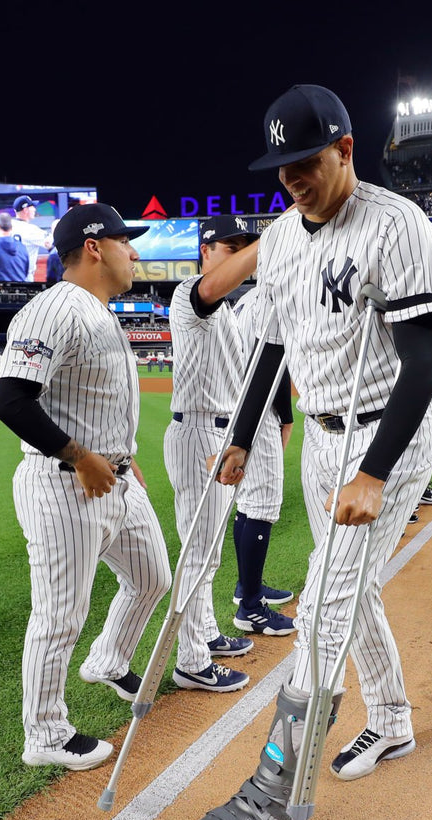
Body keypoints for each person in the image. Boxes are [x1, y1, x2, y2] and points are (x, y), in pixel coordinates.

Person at [184, 84, 432, 820]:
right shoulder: (279, 237)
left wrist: (374, 472)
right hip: (321, 442)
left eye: (305, 162)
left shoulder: (396, 225)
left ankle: (272, 801)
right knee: (349, 593)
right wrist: (237, 436)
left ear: (344, 149)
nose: (293, 178)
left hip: (384, 437)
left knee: (322, 613)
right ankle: (394, 719)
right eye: (281, 167)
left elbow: (424, 365)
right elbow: (271, 346)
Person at [0, 203, 165, 770]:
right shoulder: (54, 309)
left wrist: (120, 457)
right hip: (64, 481)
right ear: (94, 247)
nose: (133, 251)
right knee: (60, 615)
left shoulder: (100, 310)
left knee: (153, 578)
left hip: (112, 474)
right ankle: (44, 732)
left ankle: (110, 659)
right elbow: (9, 398)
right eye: (123, 241)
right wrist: (78, 454)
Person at [161, 214, 270, 696]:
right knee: (196, 555)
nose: (243, 253)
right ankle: (191, 661)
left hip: (221, 437)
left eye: (246, 245)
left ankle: (205, 633)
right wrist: (274, 240)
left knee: (209, 555)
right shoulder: (190, 294)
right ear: (206, 251)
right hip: (198, 434)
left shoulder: (227, 310)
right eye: (232, 246)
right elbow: (215, 285)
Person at [230, 286, 298, 636]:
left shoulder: (245, 298)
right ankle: (251, 607)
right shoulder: (275, 295)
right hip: (257, 409)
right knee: (262, 506)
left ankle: (248, 587)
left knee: (248, 504)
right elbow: (273, 364)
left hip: (238, 403)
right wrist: (286, 416)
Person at [10, 195, 54, 282]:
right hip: (24, 278)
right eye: (32, 206)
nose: (34, 209)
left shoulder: (8, 225)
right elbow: (50, 243)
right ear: (26, 210)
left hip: (8, 276)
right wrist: (55, 227)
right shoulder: (31, 230)